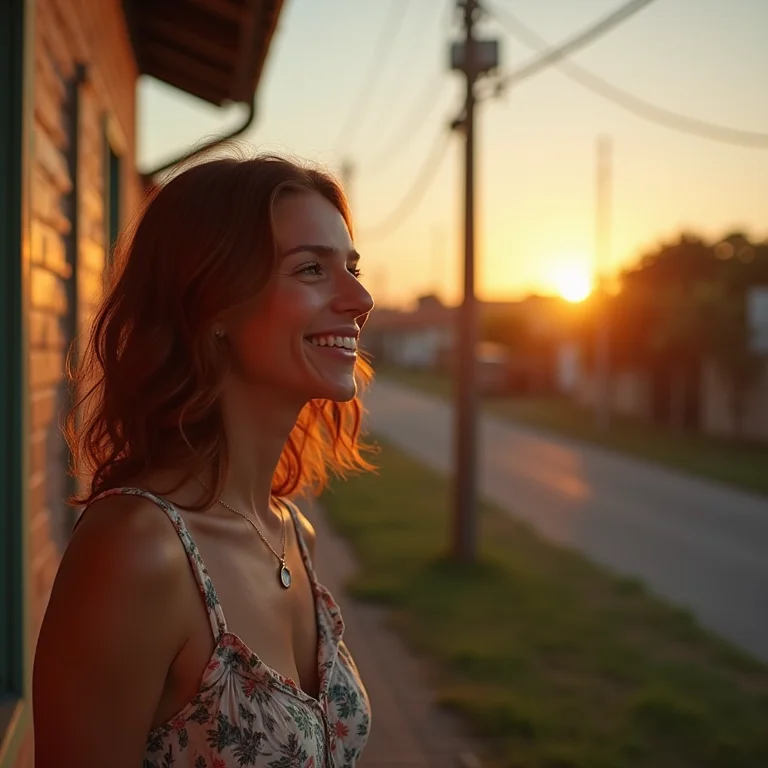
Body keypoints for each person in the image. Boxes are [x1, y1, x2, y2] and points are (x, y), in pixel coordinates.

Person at [33, 152, 376, 768]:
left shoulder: (293, 532)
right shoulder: (138, 547)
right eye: (310, 270)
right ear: (212, 304)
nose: (361, 298)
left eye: (351, 267)